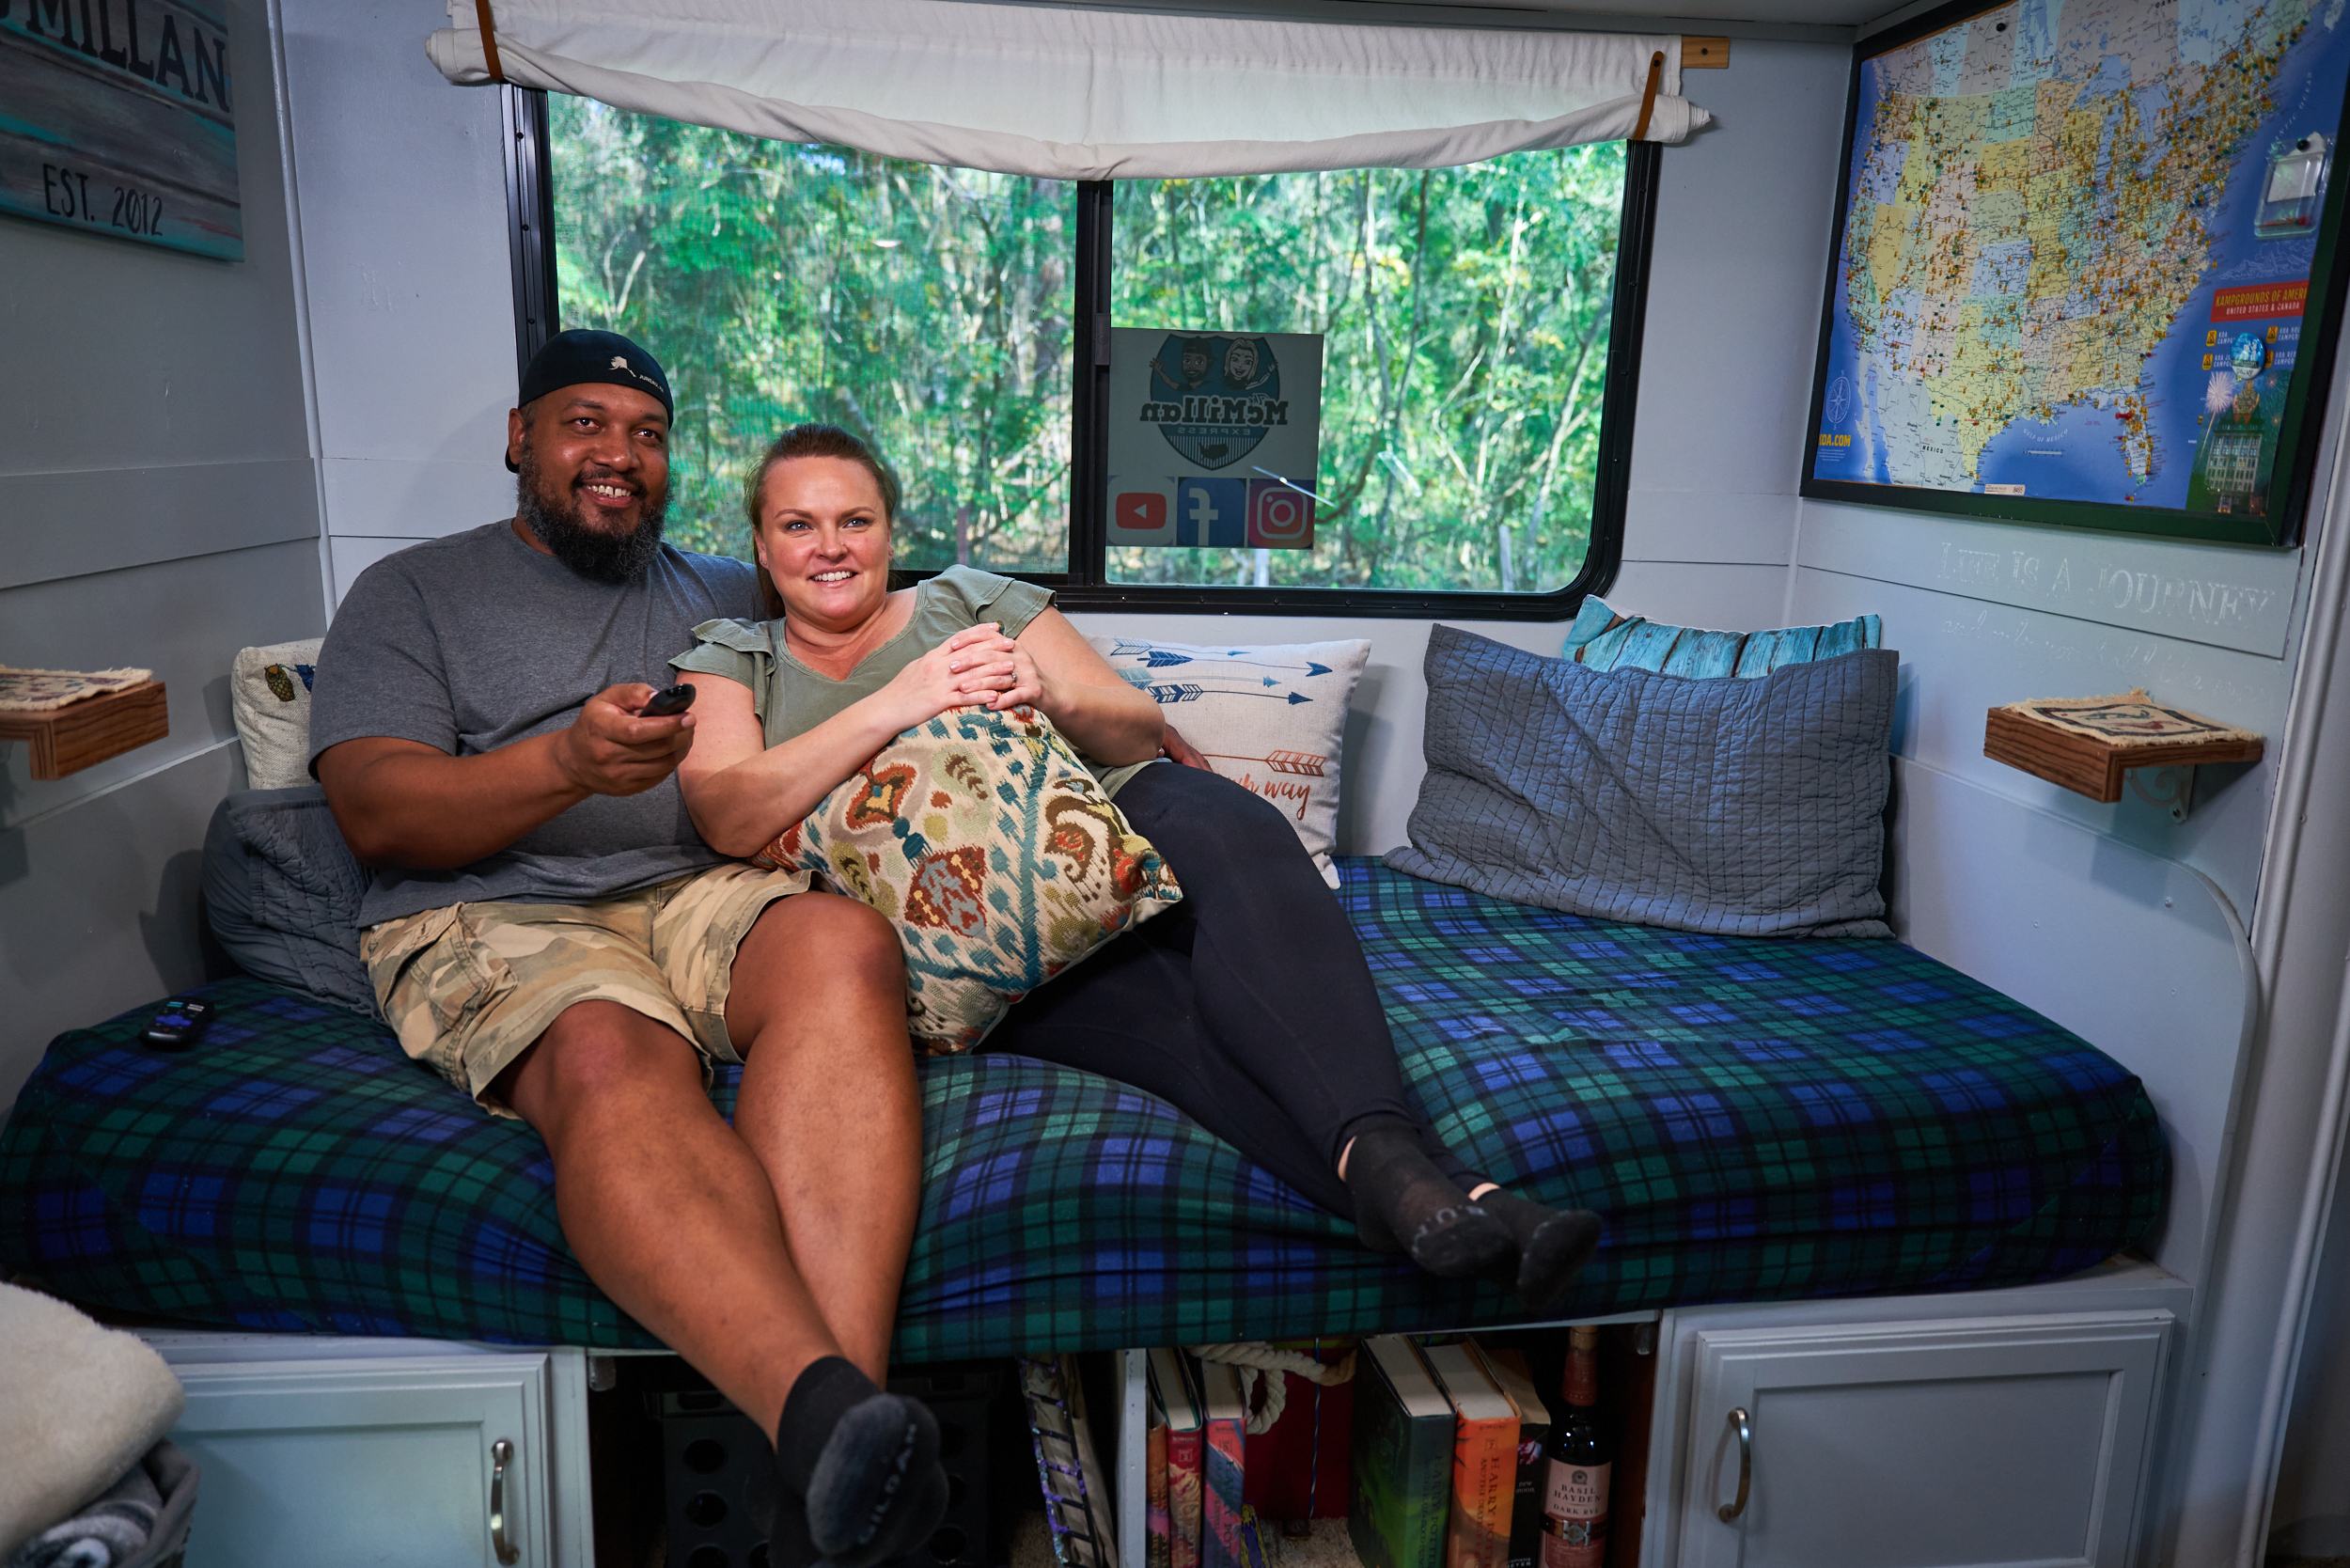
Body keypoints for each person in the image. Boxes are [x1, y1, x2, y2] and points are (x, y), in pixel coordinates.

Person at [671, 423, 1604, 1308]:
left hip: (1112, 815)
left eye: (854, 521)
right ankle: (1461, 1196)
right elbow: (724, 811)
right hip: (983, 932)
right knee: (1184, 1024)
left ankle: (1395, 1173)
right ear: (761, 545)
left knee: (1235, 833)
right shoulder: (737, 659)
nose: (829, 546)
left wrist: (1046, 692)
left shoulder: (966, 599)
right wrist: (904, 701)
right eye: (799, 525)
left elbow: (1132, 725)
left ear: (888, 532)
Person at [309, 334, 947, 1567]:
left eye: (645, 435)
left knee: (841, 945)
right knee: (608, 1048)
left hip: (691, 894)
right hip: (492, 906)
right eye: (584, 424)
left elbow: (852, 630)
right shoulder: (413, 594)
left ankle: (831, 1447)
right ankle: (816, 1423)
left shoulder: (720, 591)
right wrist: (564, 763)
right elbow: (378, 812)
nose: (619, 455)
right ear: (520, 439)